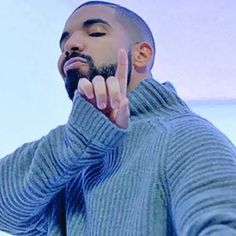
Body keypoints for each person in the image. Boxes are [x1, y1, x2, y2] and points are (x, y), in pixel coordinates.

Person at [1, 1, 236, 235]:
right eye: (63, 43)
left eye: (95, 32)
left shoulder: (185, 138)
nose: (69, 46)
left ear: (141, 55)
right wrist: (79, 139)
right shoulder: (70, 169)